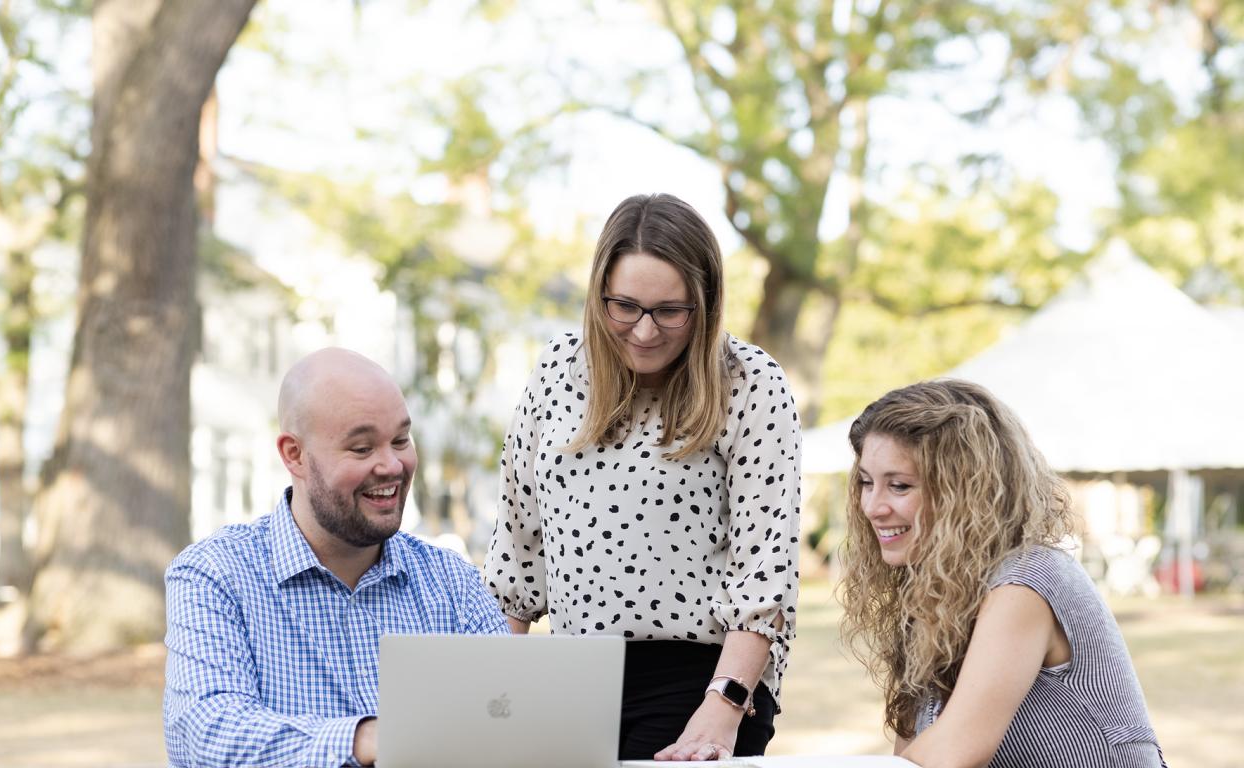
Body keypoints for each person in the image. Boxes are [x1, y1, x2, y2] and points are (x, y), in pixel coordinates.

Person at [485, 193, 802, 762]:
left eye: (671, 310)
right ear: (598, 294)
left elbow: (764, 569)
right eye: (625, 306)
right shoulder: (557, 370)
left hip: (698, 678)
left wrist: (723, 706)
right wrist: (489, 696)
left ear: (705, 304)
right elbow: (518, 546)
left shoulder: (752, 383)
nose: (646, 331)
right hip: (570, 680)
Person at [163, 348, 508, 768]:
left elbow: (510, 719)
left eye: (401, 440)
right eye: (362, 449)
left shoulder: (453, 582)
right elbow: (207, 735)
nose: (392, 465)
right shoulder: (215, 575)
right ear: (294, 455)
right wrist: (366, 739)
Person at [837, 379, 1167, 768]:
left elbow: (951, 755)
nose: (873, 507)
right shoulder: (933, 594)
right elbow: (910, 759)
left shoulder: (1026, 580)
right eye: (866, 483)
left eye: (899, 486)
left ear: (964, 490)